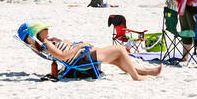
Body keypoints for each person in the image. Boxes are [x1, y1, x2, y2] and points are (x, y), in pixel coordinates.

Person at [23, 23, 163, 80]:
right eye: (45, 29)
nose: (48, 30)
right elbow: (63, 56)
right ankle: (136, 77)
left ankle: (146, 71)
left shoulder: (46, 43)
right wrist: (80, 46)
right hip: (82, 58)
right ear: (39, 33)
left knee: (117, 59)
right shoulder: (47, 44)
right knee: (120, 49)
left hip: (83, 55)